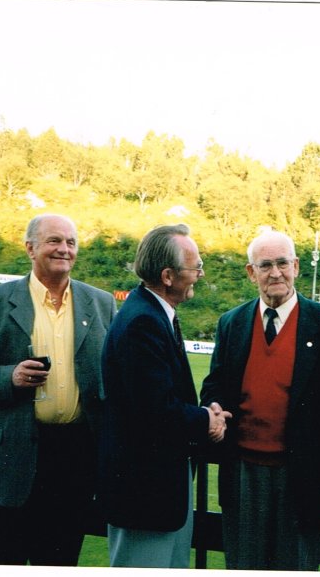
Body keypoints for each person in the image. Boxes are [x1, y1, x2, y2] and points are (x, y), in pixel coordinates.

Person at [0, 214, 117, 566]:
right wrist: (8, 378)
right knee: (6, 559)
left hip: (76, 457)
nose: (64, 249)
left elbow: (114, 378)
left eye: (71, 242)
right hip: (13, 453)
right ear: (30, 248)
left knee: (60, 560)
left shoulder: (100, 303)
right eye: (54, 241)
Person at [200, 229, 320, 570]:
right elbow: (215, 383)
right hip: (243, 474)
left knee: (295, 566)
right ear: (251, 272)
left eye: (282, 263)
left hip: (304, 476)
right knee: (244, 564)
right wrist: (214, 405)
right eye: (266, 265)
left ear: (297, 266)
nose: (275, 273)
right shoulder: (232, 323)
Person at [98, 223, 231, 568]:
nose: (200, 275)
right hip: (145, 494)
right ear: (168, 275)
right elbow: (155, 410)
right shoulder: (144, 321)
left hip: (156, 491)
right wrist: (207, 419)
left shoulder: (153, 313)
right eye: (196, 267)